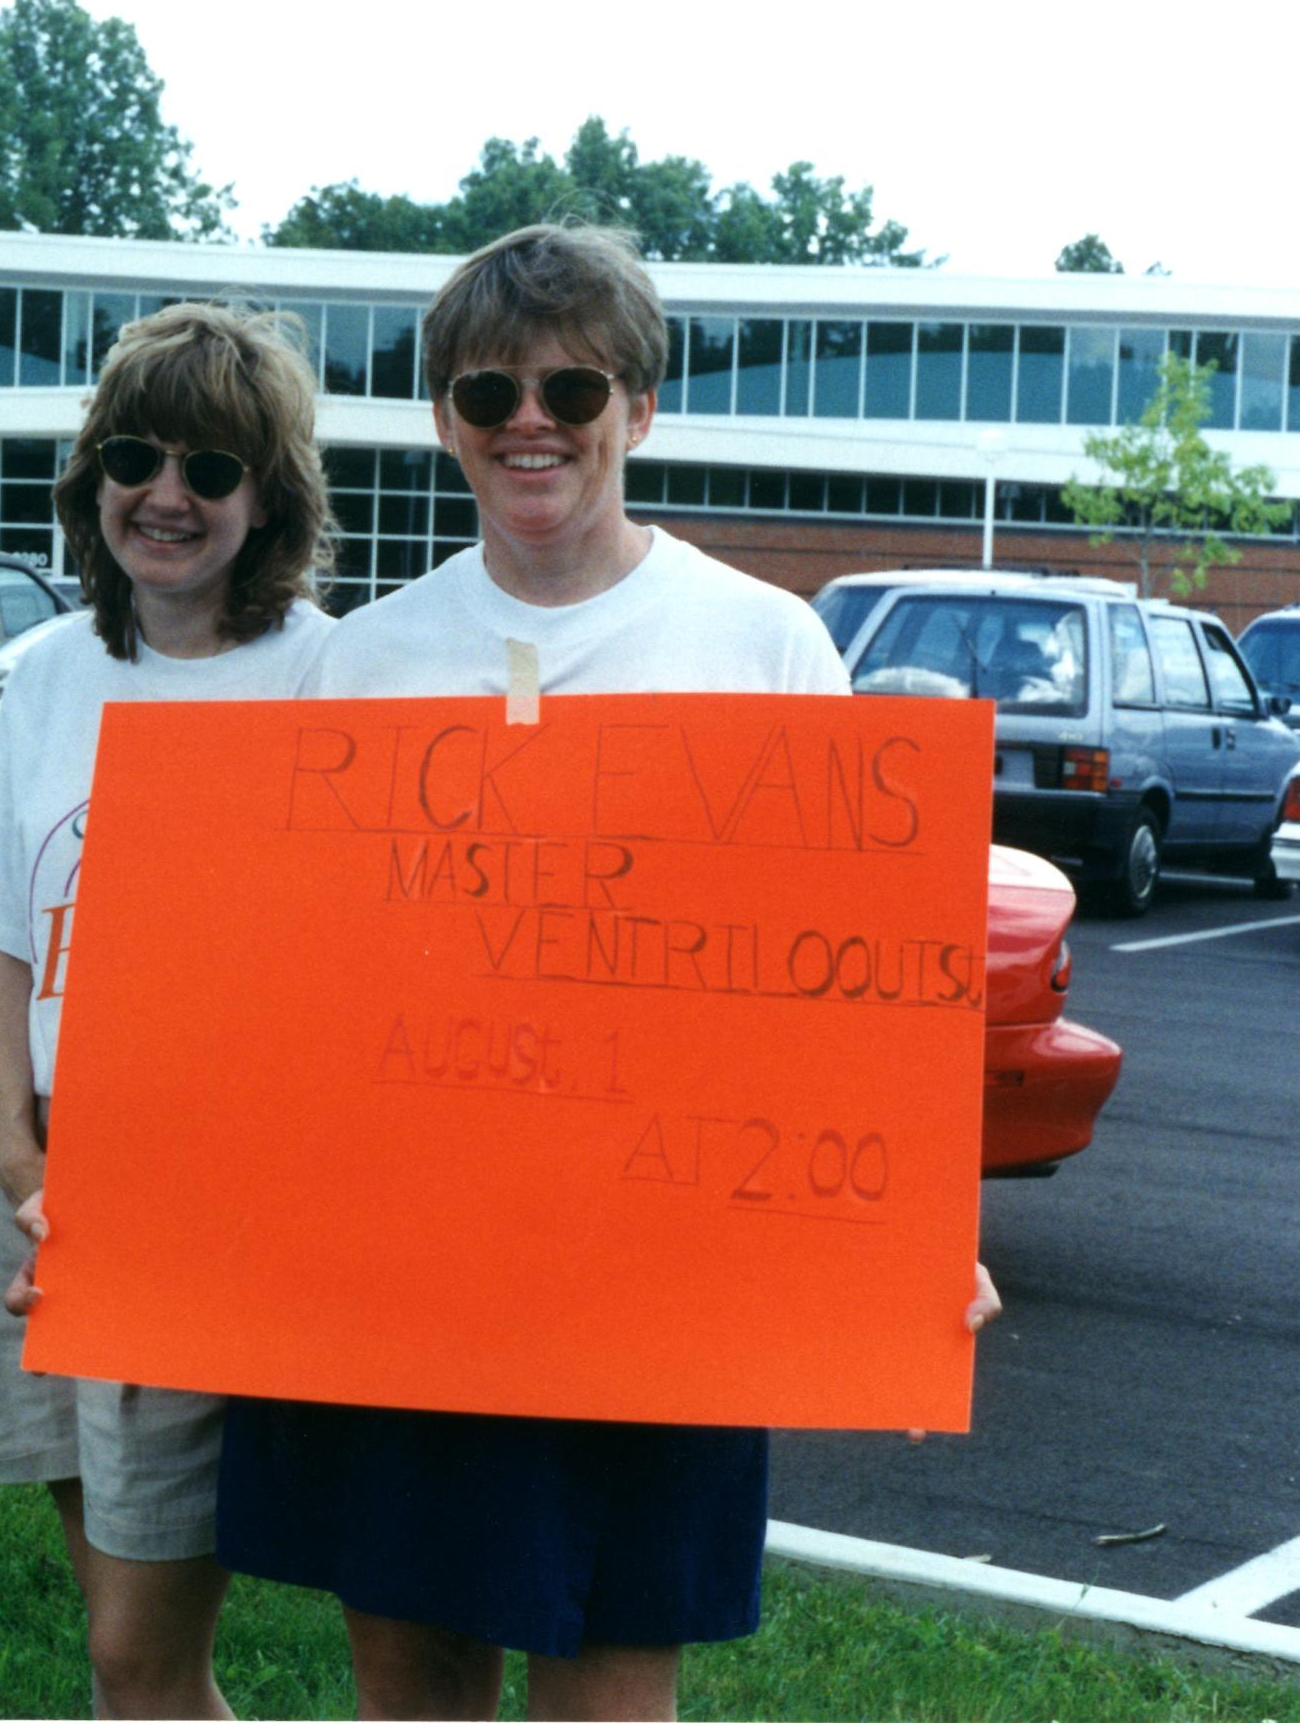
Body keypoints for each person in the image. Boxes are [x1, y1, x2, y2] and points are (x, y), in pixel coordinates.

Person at [213, 222, 1002, 1722]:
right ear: (442, 415)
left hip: (655, 1265)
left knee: (613, 1687)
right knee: (414, 1681)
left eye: (573, 392)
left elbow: (848, 994)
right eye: (487, 390)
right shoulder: (359, 663)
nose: (530, 421)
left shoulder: (764, 646)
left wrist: (905, 1230)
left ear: (638, 410)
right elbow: (283, 997)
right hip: (411, 1266)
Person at [0, 304, 336, 1719]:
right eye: (134, 457)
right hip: (36, 1190)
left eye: (212, 469)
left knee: (138, 1648)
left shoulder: (328, 678)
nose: (165, 496)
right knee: (115, 1627)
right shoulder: (47, 676)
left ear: (268, 495)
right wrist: (21, 1153)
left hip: (202, 1198)